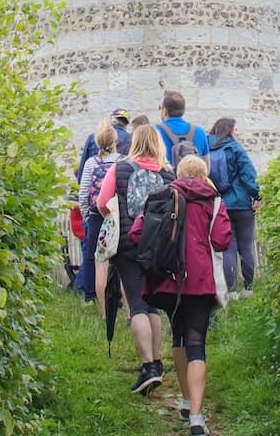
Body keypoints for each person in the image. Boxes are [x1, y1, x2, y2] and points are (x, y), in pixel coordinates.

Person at [129, 154, 231, 436]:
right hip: (200, 281)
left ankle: (185, 401)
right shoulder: (214, 200)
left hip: (168, 279)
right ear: (204, 175)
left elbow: (137, 233)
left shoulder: (163, 196)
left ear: (179, 174)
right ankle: (197, 417)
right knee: (197, 344)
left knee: (179, 336)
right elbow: (222, 240)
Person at [95, 123, 174, 394]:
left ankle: (147, 366)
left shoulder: (120, 168)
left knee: (137, 305)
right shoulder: (168, 173)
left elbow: (102, 203)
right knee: (153, 306)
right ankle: (158, 361)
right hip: (158, 247)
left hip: (128, 244)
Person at [207, 117, 260, 296]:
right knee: (246, 246)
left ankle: (231, 291)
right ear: (228, 130)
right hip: (242, 204)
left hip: (220, 204)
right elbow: (248, 174)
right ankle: (248, 288)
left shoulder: (207, 148)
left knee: (228, 248)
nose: (238, 133)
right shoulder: (236, 148)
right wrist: (257, 195)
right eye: (236, 129)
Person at [76, 122, 121, 304]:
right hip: (117, 215)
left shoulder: (91, 163)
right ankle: (117, 296)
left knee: (93, 258)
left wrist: (87, 216)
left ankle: (91, 295)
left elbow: (83, 193)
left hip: (96, 215)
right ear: (115, 141)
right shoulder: (123, 161)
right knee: (118, 257)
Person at [75, 107, 130, 183]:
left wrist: (80, 181)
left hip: (94, 185)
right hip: (117, 185)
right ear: (125, 125)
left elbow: (82, 167)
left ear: (111, 120)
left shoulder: (93, 137)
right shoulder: (131, 139)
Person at [156, 90, 208, 162]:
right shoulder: (200, 131)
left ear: (165, 111)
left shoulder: (155, 132)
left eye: (160, 108)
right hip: (193, 169)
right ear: (183, 110)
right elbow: (206, 164)